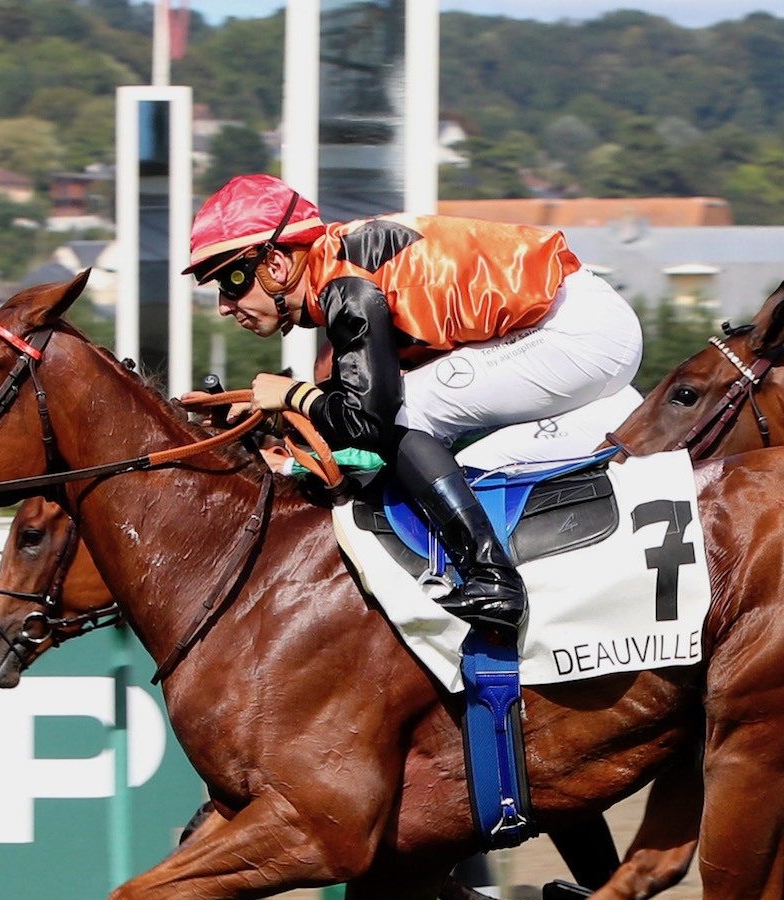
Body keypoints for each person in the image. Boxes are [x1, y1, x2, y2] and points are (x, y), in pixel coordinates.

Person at [183, 174, 644, 636]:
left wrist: (292, 395)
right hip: (573, 322)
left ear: (278, 264)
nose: (225, 305)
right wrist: (279, 408)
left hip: (576, 331)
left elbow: (367, 420)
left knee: (410, 415)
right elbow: (347, 403)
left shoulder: (348, 287)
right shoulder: (341, 269)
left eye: (232, 280)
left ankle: (494, 578)